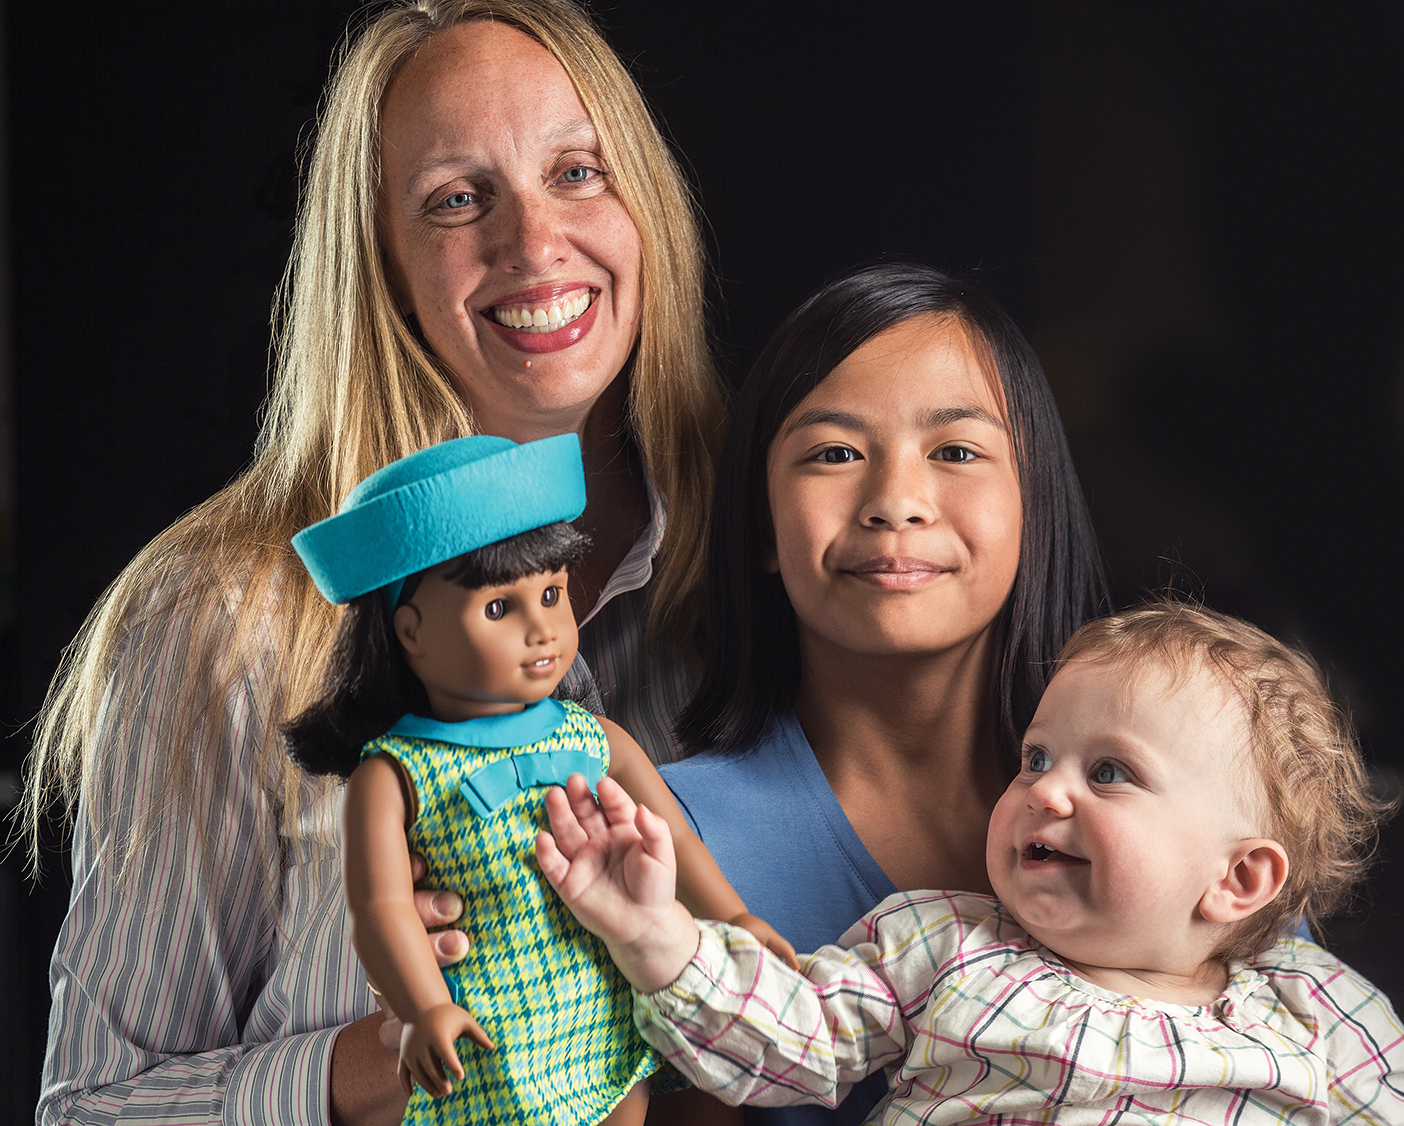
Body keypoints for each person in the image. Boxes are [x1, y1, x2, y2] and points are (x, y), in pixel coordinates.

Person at [24, 2, 726, 1122]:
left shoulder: (766, 563)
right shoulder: (223, 620)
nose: (534, 244)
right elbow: (92, 1106)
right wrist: (368, 1060)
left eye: (579, 173)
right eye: (457, 198)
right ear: (385, 265)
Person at [542, 601, 1404, 1123]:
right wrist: (650, 932)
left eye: (1110, 773)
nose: (1045, 792)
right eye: (1036, 758)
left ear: (1239, 881)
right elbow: (789, 1033)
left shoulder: (1311, 1006)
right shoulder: (948, 944)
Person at [656, 259, 1107, 1123]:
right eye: (833, 453)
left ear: (1034, 504)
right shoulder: (666, 841)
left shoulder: (1189, 783)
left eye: (956, 451)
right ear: (759, 525)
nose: (896, 501)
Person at [285, 434, 794, 1125]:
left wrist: (731, 919)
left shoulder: (596, 739)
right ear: (410, 632)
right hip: (493, 1031)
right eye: (500, 609)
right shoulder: (395, 774)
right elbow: (381, 910)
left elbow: (671, 835)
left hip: (613, 1010)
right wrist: (422, 1007)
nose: (543, 628)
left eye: (552, 593)